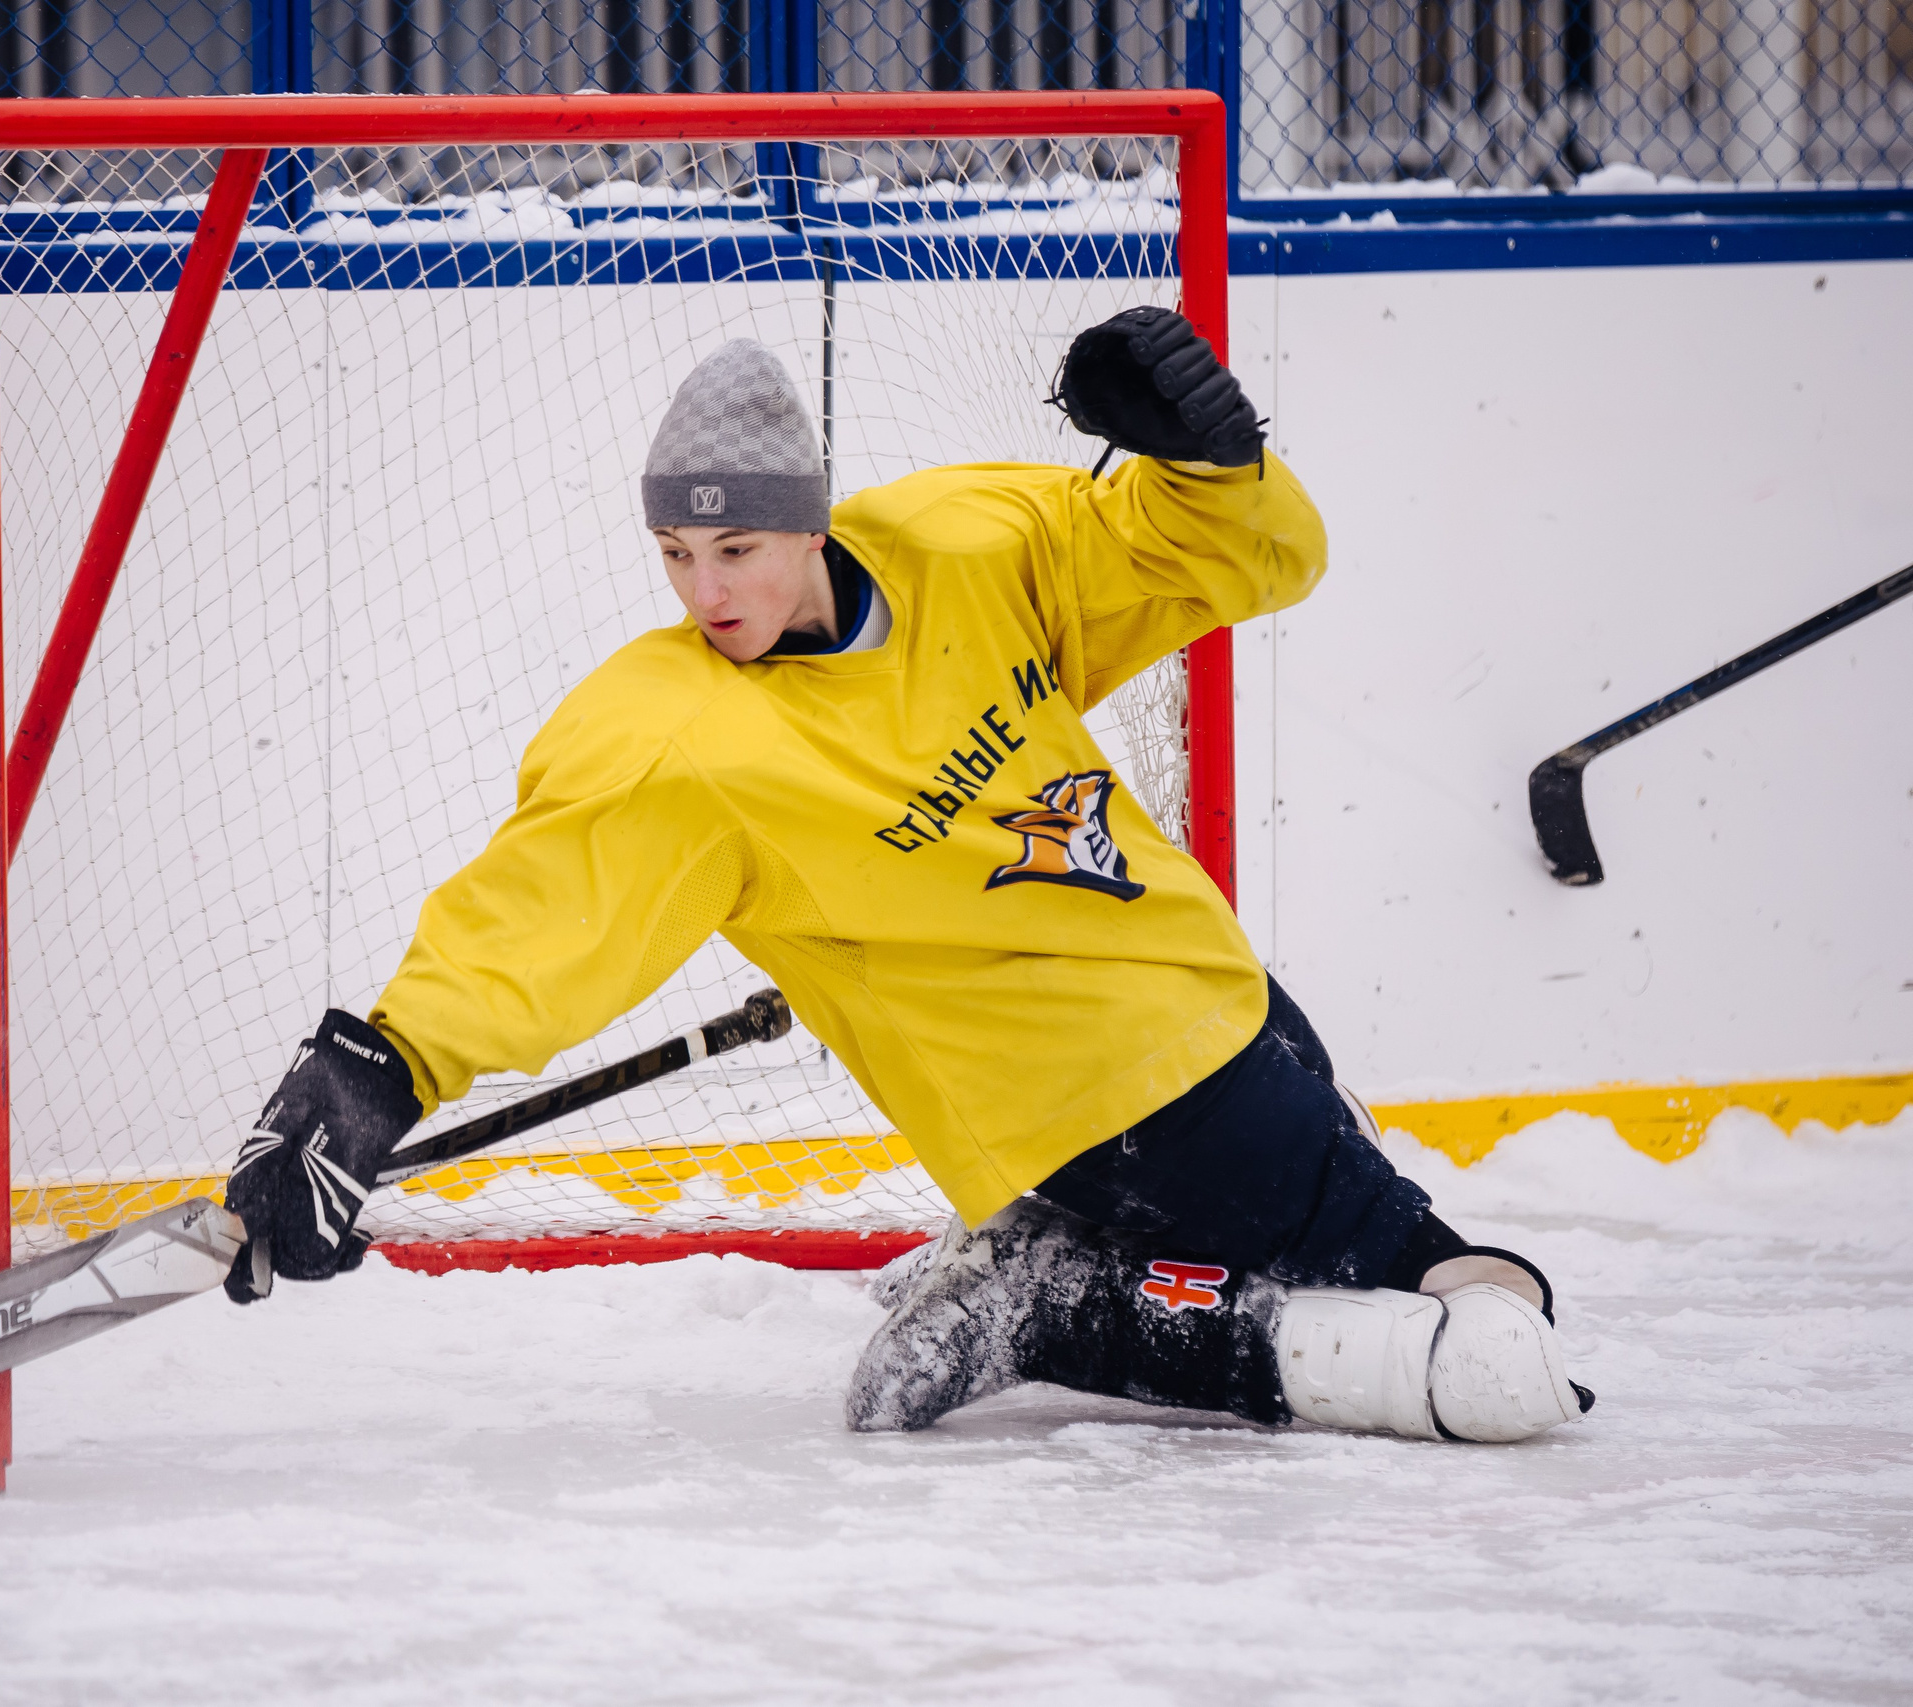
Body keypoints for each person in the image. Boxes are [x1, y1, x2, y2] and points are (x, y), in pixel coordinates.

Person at [220, 312, 1589, 1445]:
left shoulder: (966, 545)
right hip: (1086, 1097)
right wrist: (377, 1067)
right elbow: (543, 911)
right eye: (677, 557)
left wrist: (1208, 468)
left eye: (737, 547)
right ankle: (1059, 1299)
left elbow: (1242, 559)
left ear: (809, 525)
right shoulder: (678, 738)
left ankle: (1056, 1273)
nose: (707, 591)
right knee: (1482, 1327)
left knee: (1340, 1246)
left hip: (1217, 1002)